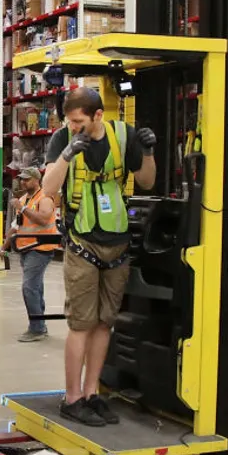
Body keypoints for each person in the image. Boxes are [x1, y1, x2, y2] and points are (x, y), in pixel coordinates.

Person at [41, 87, 156, 427]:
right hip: (82, 245)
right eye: (70, 120)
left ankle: (92, 393)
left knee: (105, 322)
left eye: (79, 121)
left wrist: (147, 153)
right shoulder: (63, 138)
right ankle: (72, 397)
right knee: (81, 323)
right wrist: (67, 154)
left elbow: (147, 182)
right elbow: (48, 189)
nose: (73, 126)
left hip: (118, 244)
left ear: (97, 115)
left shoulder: (124, 136)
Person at [0, 168, 59, 342]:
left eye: (26, 179)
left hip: (41, 249)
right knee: (36, 288)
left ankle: (37, 328)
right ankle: (40, 325)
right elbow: (15, 227)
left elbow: (43, 219)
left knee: (29, 288)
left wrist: (22, 208)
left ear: (36, 180)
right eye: (21, 180)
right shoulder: (25, 199)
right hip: (26, 249)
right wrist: (3, 248)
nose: (22, 182)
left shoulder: (45, 198)